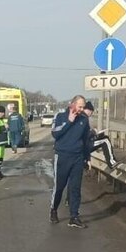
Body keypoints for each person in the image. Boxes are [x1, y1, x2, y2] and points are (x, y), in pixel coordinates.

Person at [49, 95, 91, 228]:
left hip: (77, 157)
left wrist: (87, 157)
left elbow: (86, 140)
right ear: (72, 105)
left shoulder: (84, 119)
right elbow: (55, 133)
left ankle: (74, 216)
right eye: (80, 106)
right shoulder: (60, 116)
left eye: (83, 107)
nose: (82, 109)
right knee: (59, 187)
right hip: (62, 156)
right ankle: (53, 209)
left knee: (75, 188)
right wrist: (69, 121)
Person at [82, 101, 118, 169]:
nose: (91, 114)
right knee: (105, 140)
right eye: (91, 112)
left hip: (81, 145)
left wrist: (95, 135)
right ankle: (112, 162)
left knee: (103, 139)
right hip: (85, 145)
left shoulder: (80, 117)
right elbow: (84, 135)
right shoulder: (84, 118)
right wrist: (93, 132)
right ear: (88, 110)